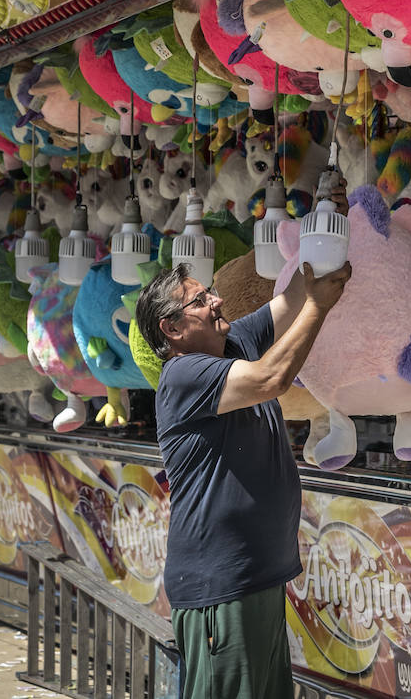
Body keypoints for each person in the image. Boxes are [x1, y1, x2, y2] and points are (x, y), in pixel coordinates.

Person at [134, 255, 351, 699]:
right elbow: (272, 377)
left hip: (256, 578)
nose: (217, 301)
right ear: (171, 329)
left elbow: (292, 298)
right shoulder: (182, 375)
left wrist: (327, 236)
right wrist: (320, 307)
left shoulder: (232, 342)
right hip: (221, 587)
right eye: (201, 299)